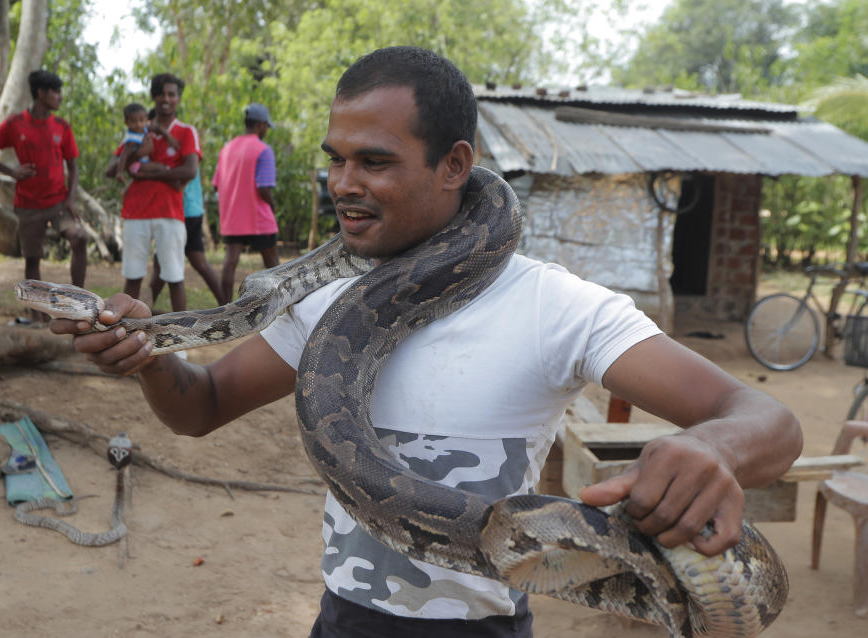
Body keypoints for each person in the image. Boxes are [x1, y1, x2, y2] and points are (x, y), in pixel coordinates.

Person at [52, 47, 802, 638]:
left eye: (374, 162)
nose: (342, 182)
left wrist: (717, 448)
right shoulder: (323, 304)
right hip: (344, 619)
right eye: (335, 158)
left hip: (484, 627)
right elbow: (201, 407)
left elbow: (767, 420)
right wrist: (149, 359)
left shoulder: (551, 304)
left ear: (454, 166)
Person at [0, 69, 87, 324]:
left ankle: (80, 303)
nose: (60, 97)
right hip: (28, 205)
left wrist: (70, 199)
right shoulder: (16, 124)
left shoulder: (62, 127)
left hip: (59, 202)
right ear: (41, 93)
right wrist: (12, 172)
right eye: (56, 92)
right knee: (32, 259)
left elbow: (73, 166)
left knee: (79, 238)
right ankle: (37, 316)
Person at [105, 73, 200, 314]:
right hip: (136, 212)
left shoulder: (186, 132)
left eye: (172, 94)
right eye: (162, 94)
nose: (166, 99)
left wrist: (148, 174)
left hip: (170, 213)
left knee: (174, 277)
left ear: (178, 99)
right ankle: (124, 333)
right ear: (154, 97)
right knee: (133, 276)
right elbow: (110, 169)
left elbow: (190, 169)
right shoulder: (137, 128)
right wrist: (138, 156)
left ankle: (182, 340)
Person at [211, 103, 280, 302]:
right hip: (258, 217)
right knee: (273, 265)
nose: (266, 130)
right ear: (260, 125)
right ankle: (283, 306)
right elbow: (263, 187)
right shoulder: (263, 150)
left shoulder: (227, 148)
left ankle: (224, 307)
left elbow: (217, 184)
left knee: (230, 262)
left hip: (233, 217)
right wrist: (272, 206)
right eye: (266, 126)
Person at [148, 168, 226, 308]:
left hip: (180, 212)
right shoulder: (191, 150)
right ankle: (226, 305)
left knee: (168, 269)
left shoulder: (182, 149)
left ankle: (149, 311)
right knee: (197, 261)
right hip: (191, 210)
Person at [114, 103, 182, 183]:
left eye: (141, 120)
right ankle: (175, 183)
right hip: (136, 165)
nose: (138, 124)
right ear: (126, 123)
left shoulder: (143, 128)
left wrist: (168, 136)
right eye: (133, 121)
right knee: (161, 168)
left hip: (144, 162)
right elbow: (124, 155)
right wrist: (120, 172)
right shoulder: (132, 138)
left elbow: (157, 128)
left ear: (146, 119)